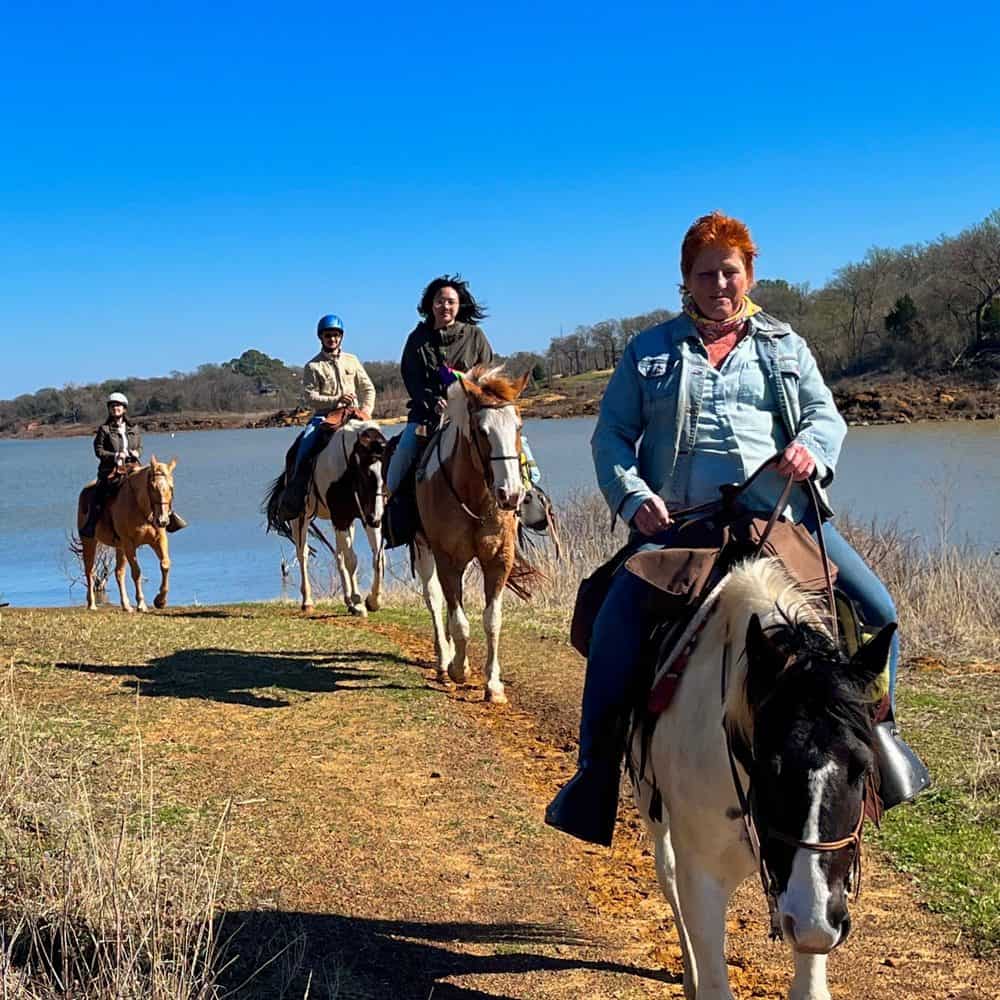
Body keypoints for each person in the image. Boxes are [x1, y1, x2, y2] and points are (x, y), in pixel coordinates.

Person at [545, 211, 928, 847]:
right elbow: (610, 436)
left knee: (878, 607)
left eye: (730, 271)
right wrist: (633, 497)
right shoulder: (649, 351)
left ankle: (878, 742)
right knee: (613, 616)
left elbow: (825, 417)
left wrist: (810, 449)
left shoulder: (784, 345)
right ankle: (594, 778)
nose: (719, 284)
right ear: (685, 280)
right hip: (682, 524)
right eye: (705, 273)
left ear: (748, 273)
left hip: (780, 516)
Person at [385, 275, 494, 495]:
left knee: (513, 444)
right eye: (440, 301)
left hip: (470, 412)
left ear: (458, 305)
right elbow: (411, 378)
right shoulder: (416, 339)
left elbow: (487, 374)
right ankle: (395, 515)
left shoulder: (475, 335)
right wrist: (432, 401)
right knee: (399, 463)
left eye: (451, 302)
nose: (445, 306)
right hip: (426, 415)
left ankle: (529, 502)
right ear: (430, 305)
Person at [278, 313, 377, 519]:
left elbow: (368, 388)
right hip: (325, 418)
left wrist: (366, 411)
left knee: (380, 447)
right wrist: (336, 400)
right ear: (321, 338)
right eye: (328, 335)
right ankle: (295, 495)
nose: (332, 339)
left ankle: (384, 494)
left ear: (341, 337)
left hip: (354, 415)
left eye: (335, 335)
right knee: (303, 447)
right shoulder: (313, 366)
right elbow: (310, 396)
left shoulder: (352, 360)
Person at [80, 392, 187, 538]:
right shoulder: (104, 430)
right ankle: (91, 524)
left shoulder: (133, 428)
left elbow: (140, 447)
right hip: (111, 469)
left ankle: (169, 515)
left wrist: (136, 452)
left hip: (132, 466)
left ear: (124, 409)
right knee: (99, 493)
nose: (115, 408)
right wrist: (115, 456)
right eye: (112, 406)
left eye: (118, 406)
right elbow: (98, 451)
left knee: (157, 486)